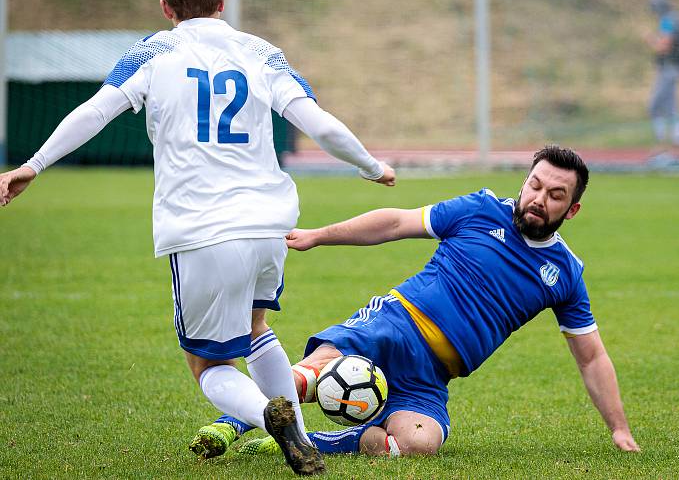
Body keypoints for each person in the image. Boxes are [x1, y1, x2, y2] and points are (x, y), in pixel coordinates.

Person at [0, 0, 396, 475]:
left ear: (166, 6)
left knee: (208, 363)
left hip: (202, 230)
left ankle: (269, 416)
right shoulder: (262, 52)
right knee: (257, 328)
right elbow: (319, 124)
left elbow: (96, 110)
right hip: (269, 227)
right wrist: (370, 166)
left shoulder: (155, 52)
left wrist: (34, 163)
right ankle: (302, 437)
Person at [191, 145, 640, 458]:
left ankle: (315, 440)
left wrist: (619, 429)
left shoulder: (565, 274)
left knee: (418, 445)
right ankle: (235, 422)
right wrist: (318, 237)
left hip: (431, 376)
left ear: (572, 210)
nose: (539, 199)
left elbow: (591, 357)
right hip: (393, 325)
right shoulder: (480, 210)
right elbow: (394, 223)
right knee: (309, 380)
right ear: (525, 182)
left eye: (555, 195)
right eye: (535, 185)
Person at [645, 0, 679, 149]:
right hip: (676, 68)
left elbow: (664, 46)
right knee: (671, 105)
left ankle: (661, 141)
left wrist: (650, 39)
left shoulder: (667, 20)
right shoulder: (677, 18)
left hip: (670, 68)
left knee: (655, 105)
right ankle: (678, 139)